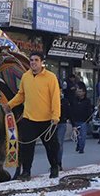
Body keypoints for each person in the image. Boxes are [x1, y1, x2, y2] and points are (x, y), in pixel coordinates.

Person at [5, 51, 61, 180]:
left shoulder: (51, 77)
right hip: (29, 118)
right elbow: (21, 95)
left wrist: (55, 116)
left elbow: (55, 98)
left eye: (36, 60)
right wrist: (10, 104)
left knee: (51, 147)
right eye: (31, 60)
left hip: (48, 120)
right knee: (26, 148)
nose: (33, 62)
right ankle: (26, 172)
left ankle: (54, 167)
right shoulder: (25, 76)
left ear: (42, 63)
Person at [70, 87, 93, 154]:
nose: (78, 93)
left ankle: (81, 148)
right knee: (76, 135)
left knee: (82, 136)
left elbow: (89, 110)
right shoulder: (74, 100)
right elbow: (71, 110)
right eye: (78, 91)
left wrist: (89, 119)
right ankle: (78, 144)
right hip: (75, 120)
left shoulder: (87, 101)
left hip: (83, 121)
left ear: (84, 92)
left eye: (80, 91)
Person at [56, 91, 70, 171]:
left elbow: (69, 111)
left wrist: (73, 124)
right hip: (52, 123)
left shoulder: (64, 101)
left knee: (59, 143)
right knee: (53, 144)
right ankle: (54, 163)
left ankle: (58, 163)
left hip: (62, 123)